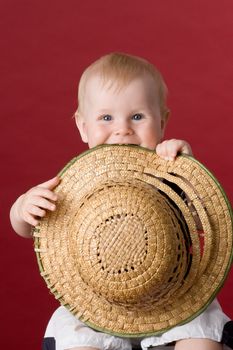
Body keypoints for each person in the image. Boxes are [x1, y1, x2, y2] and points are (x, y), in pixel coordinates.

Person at [10, 52, 230, 350]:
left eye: (137, 117)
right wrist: (24, 207)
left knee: (201, 343)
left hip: (174, 301)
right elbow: (26, 228)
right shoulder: (75, 184)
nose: (122, 129)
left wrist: (187, 172)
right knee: (79, 344)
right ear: (83, 126)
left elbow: (207, 221)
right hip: (97, 304)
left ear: (163, 122)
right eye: (106, 118)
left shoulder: (167, 170)